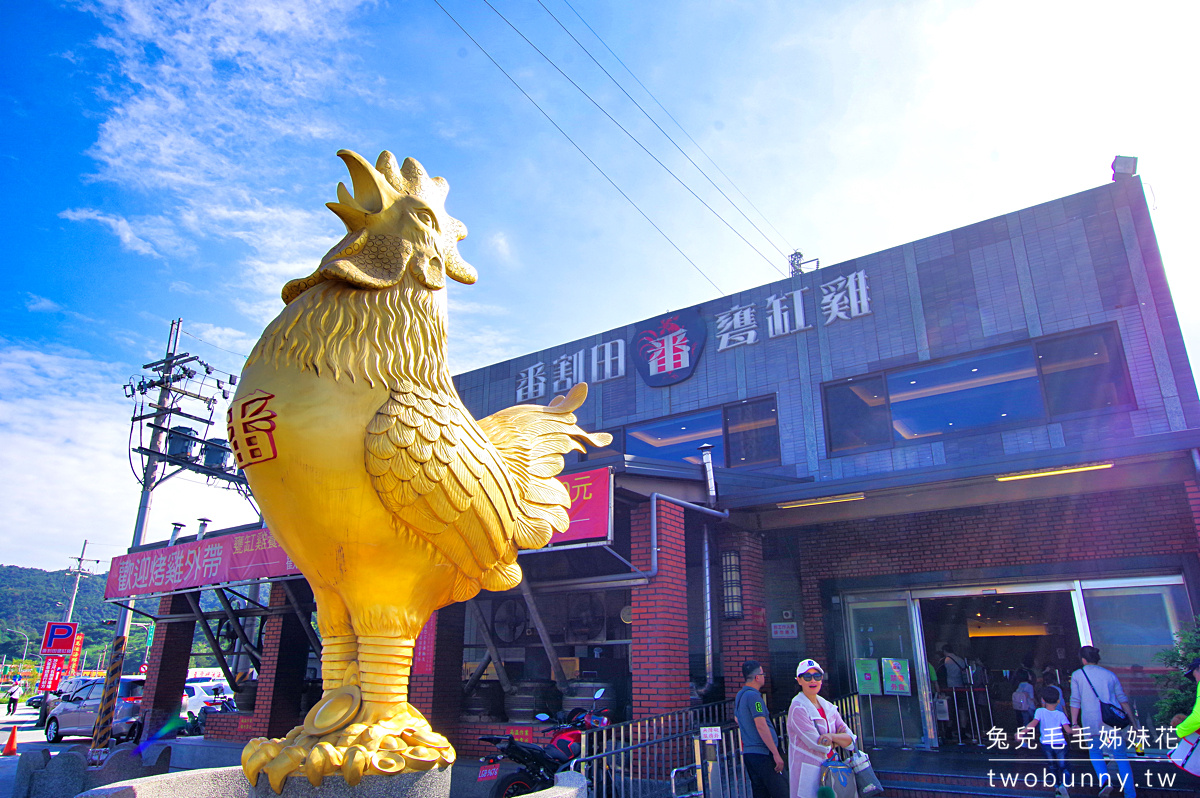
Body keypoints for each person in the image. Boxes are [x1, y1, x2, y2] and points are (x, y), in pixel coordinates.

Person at [1069, 646, 1138, 798]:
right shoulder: (1110, 675)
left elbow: (1075, 700)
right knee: (1121, 756)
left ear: (1083, 659)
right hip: (1111, 721)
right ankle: (1130, 793)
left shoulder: (1077, 675)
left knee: (1095, 752)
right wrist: (1133, 722)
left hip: (1091, 721)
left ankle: (1105, 780)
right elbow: (1123, 700)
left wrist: (1074, 723)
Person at [787, 659, 854, 798]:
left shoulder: (829, 707)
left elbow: (851, 741)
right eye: (807, 677)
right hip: (809, 775)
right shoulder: (797, 708)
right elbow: (818, 744)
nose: (813, 681)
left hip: (832, 773)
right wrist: (838, 740)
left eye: (817, 676)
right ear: (799, 680)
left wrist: (832, 737)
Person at [735, 660, 787, 798]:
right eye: (763, 674)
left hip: (750, 754)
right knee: (782, 791)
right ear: (757, 677)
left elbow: (737, 719)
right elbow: (761, 724)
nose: (764, 677)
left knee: (760, 792)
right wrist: (775, 753)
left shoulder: (740, 696)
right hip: (763, 754)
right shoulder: (754, 697)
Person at [1024, 686, 1073, 798]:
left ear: (1043, 700)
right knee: (1064, 766)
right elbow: (1068, 730)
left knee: (1052, 766)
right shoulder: (1060, 714)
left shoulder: (1040, 711)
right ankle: (1064, 786)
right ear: (1058, 701)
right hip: (1060, 743)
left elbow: (1033, 723)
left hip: (1046, 744)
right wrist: (1079, 731)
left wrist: (1022, 732)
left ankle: (1057, 788)